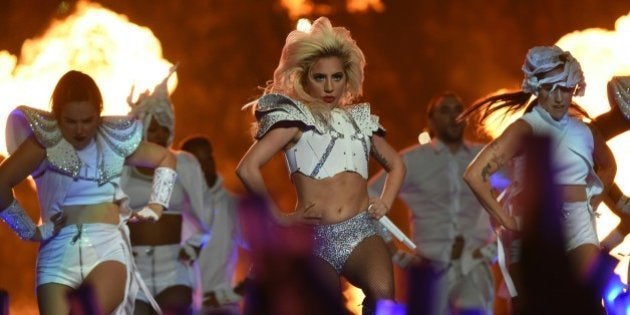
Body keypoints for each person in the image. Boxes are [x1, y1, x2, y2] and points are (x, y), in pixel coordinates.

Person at [235, 17, 405, 314]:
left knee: (384, 296)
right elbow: (247, 168)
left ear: (347, 77)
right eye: (320, 77)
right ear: (305, 78)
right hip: (316, 237)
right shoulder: (294, 121)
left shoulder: (361, 120)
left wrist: (386, 202)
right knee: (322, 308)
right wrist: (279, 218)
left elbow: (397, 164)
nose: (329, 86)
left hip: (361, 231)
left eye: (336, 77)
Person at [0, 70, 177, 314]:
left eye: (88, 120)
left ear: (100, 114)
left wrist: (156, 207)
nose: (80, 130)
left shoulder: (114, 141)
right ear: (57, 115)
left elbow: (165, 158)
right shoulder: (41, 144)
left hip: (107, 249)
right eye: (70, 121)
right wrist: (29, 231)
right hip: (56, 255)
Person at [460, 45, 617, 311]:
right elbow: (475, 174)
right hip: (536, 225)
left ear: (575, 88)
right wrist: (506, 219)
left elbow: (608, 166)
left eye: (565, 88)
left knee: (588, 302)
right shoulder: (525, 128)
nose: (558, 98)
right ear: (536, 87)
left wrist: (591, 202)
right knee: (536, 305)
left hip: (579, 226)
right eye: (550, 88)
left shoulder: (584, 130)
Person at [369, 92, 496, 314]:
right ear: (431, 121)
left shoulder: (483, 156)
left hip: (474, 264)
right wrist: (392, 249)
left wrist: (497, 246)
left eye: (459, 110)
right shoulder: (413, 160)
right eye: (445, 111)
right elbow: (368, 195)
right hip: (430, 267)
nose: (454, 116)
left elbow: (522, 187)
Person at [121, 68, 210, 314]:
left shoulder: (185, 164)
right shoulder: (121, 167)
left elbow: (205, 212)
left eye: (164, 127)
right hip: (133, 272)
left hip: (173, 270)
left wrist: (193, 246)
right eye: (153, 127)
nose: (160, 134)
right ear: (139, 127)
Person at [181, 135, 247, 314]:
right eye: (196, 162)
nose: (203, 167)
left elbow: (265, 251)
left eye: (207, 159)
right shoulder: (172, 208)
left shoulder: (231, 205)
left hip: (219, 309)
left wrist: (233, 293)